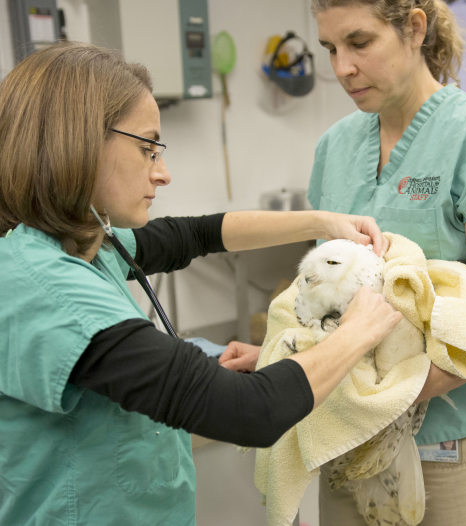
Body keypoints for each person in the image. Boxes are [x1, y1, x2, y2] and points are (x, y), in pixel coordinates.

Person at [0, 42, 401, 526]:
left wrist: (326, 222)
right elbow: (250, 413)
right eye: (147, 148)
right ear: (78, 142)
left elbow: (198, 233)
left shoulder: (84, 241)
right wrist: (359, 330)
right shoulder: (45, 290)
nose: (162, 173)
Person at [305, 0, 466, 524]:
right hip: (345, 435)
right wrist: (284, 351)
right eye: (331, 49)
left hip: (444, 443)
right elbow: (316, 285)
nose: (342, 68)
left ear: (414, 28)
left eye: (359, 43)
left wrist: (395, 394)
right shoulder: (334, 147)